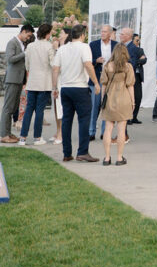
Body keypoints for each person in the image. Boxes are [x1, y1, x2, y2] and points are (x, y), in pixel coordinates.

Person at [52, 24, 100, 162]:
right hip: (80, 87)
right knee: (84, 119)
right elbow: (88, 65)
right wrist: (96, 82)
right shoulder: (84, 47)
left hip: (65, 88)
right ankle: (83, 151)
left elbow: (55, 69)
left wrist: (54, 87)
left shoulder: (62, 49)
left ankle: (67, 153)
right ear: (83, 35)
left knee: (66, 120)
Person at [99, 42, 135, 165]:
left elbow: (103, 84)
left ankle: (107, 158)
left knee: (108, 129)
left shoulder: (107, 66)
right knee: (121, 130)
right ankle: (119, 158)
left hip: (110, 98)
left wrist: (102, 99)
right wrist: (133, 101)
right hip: (124, 98)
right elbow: (130, 85)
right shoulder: (128, 67)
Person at [18, 22, 54, 145]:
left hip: (32, 82)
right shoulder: (49, 47)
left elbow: (27, 65)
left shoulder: (30, 46)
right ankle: (37, 137)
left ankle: (22, 137)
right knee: (40, 111)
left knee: (29, 109)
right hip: (44, 83)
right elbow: (53, 64)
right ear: (48, 34)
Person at [0, 23, 35, 143]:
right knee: (8, 108)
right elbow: (10, 59)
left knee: (13, 108)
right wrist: (24, 53)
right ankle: (4, 135)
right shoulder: (12, 43)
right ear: (23, 31)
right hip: (12, 79)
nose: (28, 38)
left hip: (19, 80)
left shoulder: (21, 44)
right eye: (28, 35)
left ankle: (9, 133)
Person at [89, 24, 116, 141]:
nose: (103, 33)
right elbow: (87, 61)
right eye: (102, 31)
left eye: (105, 32)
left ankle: (105, 132)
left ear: (110, 33)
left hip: (110, 80)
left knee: (107, 106)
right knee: (94, 106)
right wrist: (96, 61)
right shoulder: (93, 45)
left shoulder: (116, 45)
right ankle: (91, 131)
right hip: (96, 79)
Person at [130, 33, 147, 123]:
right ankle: (128, 117)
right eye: (137, 40)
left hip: (137, 76)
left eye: (139, 40)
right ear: (132, 41)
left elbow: (144, 60)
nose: (138, 42)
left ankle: (134, 117)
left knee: (138, 96)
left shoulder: (140, 50)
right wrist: (138, 61)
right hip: (129, 76)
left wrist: (137, 61)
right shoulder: (128, 49)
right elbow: (132, 61)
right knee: (129, 97)